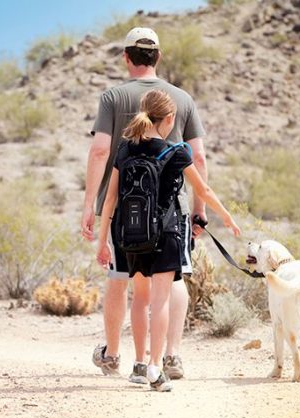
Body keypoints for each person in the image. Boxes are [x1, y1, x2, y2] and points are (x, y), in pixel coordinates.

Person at [82, 27, 208, 380]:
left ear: (126, 57)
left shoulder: (112, 97)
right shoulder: (181, 98)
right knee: (174, 279)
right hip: (172, 209)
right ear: (159, 57)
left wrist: (90, 203)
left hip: (126, 209)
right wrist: (200, 208)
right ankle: (170, 356)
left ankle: (114, 355)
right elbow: (197, 156)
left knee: (122, 278)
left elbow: (100, 150)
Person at [96, 89, 240, 391]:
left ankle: (138, 364)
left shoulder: (124, 150)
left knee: (140, 298)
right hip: (166, 234)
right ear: (170, 118)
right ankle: (155, 368)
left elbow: (110, 200)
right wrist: (226, 217)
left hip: (130, 235)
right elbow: (203, 191)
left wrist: (102, 241)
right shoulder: (177, 152)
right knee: (160, 300)